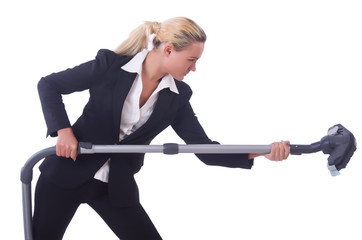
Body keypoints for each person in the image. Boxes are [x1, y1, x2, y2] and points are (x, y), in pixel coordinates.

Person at [34, 17, 290, 240]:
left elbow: (205, 149)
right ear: (168, 50)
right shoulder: (110, 66)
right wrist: (64, 132)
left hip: (115, 186)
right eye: (191, 60)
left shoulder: (177, 97)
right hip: (65, 175)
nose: (194, 68)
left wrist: (263, 152)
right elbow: (49, 85)